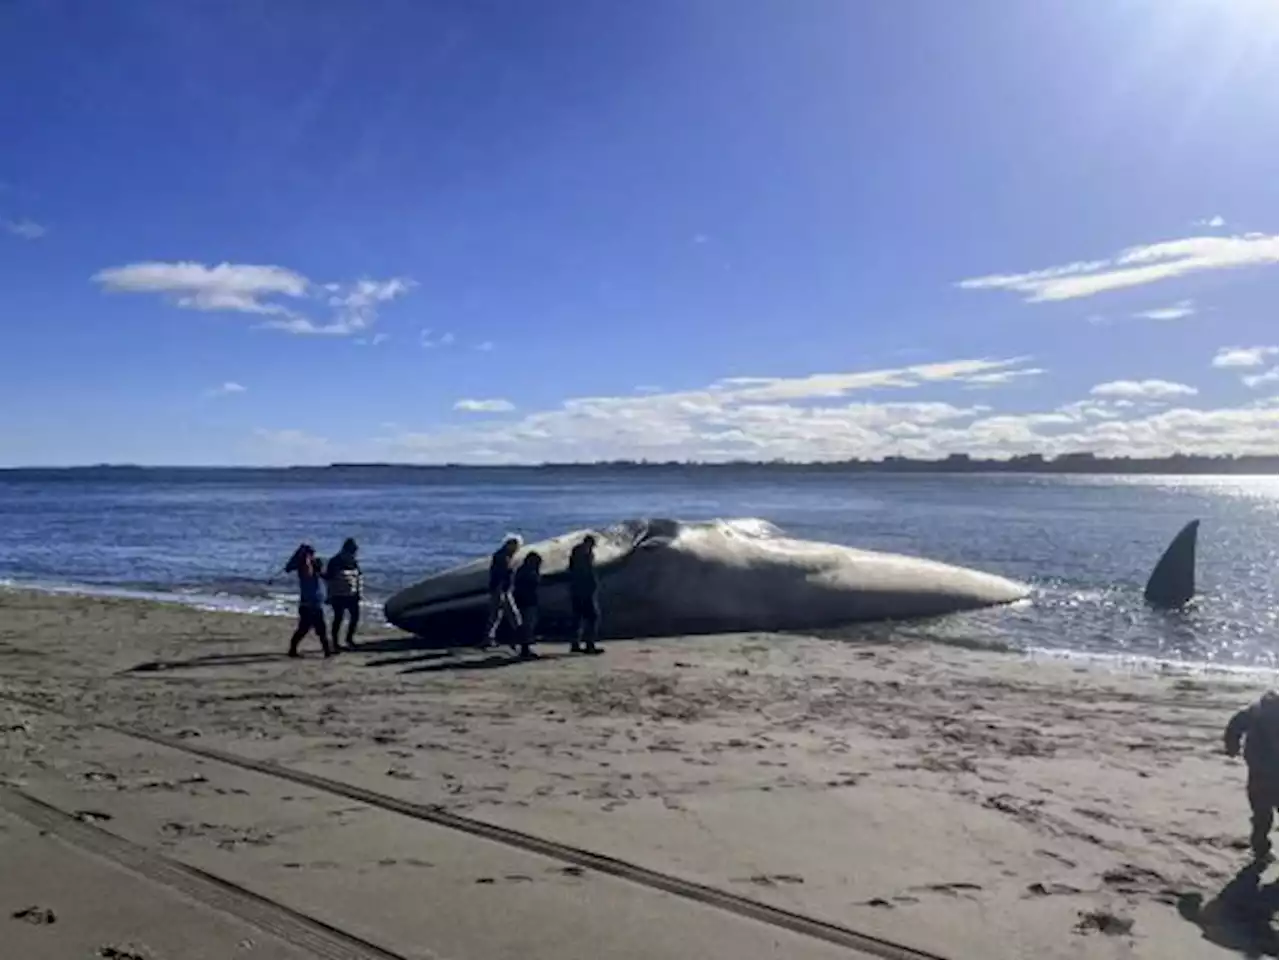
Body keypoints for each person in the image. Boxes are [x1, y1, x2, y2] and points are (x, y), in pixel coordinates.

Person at [1225, 690, 1280, 861]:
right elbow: (1236, 724)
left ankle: (1260, 848)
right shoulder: (1258, 710)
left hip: (1260, 771)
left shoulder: (1257, 709)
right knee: (1262, 815)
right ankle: (1260, 849)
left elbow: (1235, 724)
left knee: (1261, 814)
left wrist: (1232, 745)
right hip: (1262, 771)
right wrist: (1232, 744)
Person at [283, 543, 332, 658]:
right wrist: (301, 555)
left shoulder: (315, 565)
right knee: (309, 628)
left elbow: (325, 575)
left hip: (314, 602)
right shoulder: (303, 566)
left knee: (314, 628)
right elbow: (290, 567)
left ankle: (326, 651)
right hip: (309, 603)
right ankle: (326, 651)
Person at [483, 534, 522, 648]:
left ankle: (489, 637)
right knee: (512, 615)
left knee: (496, 615)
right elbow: (500, 575)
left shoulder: (503, 556)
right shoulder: (503, 557)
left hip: (502, 589)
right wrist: (500, 591)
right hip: (501, 590)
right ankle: (517, 638)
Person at [325, 537, 363, 651]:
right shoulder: (335, 561)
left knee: (355, 617)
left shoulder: (354, 562)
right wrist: (329, 595)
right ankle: (335, 642)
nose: (354, 554)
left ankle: (349, 639)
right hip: (338, 594)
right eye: (353, 551)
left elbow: (359, 577)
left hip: (352, 594)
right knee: (338, 618)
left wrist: (359, 592)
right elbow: (329, 579)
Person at [567, 534, 601, 654]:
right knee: (592, 617)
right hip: (585, 592)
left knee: (577, 618)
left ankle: (575, 643)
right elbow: (588, 573)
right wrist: (593, 586)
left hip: (576, 591)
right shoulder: (585, 556)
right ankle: (589, 644)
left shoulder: (575, 555)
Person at [512, 551, 543, 660]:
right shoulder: (529, 572)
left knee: (526, 624)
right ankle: (525, 648)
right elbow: (535, 583)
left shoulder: (521, 571)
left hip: (522, 600)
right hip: (528, 601)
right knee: (528, 624)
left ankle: (524, 646)